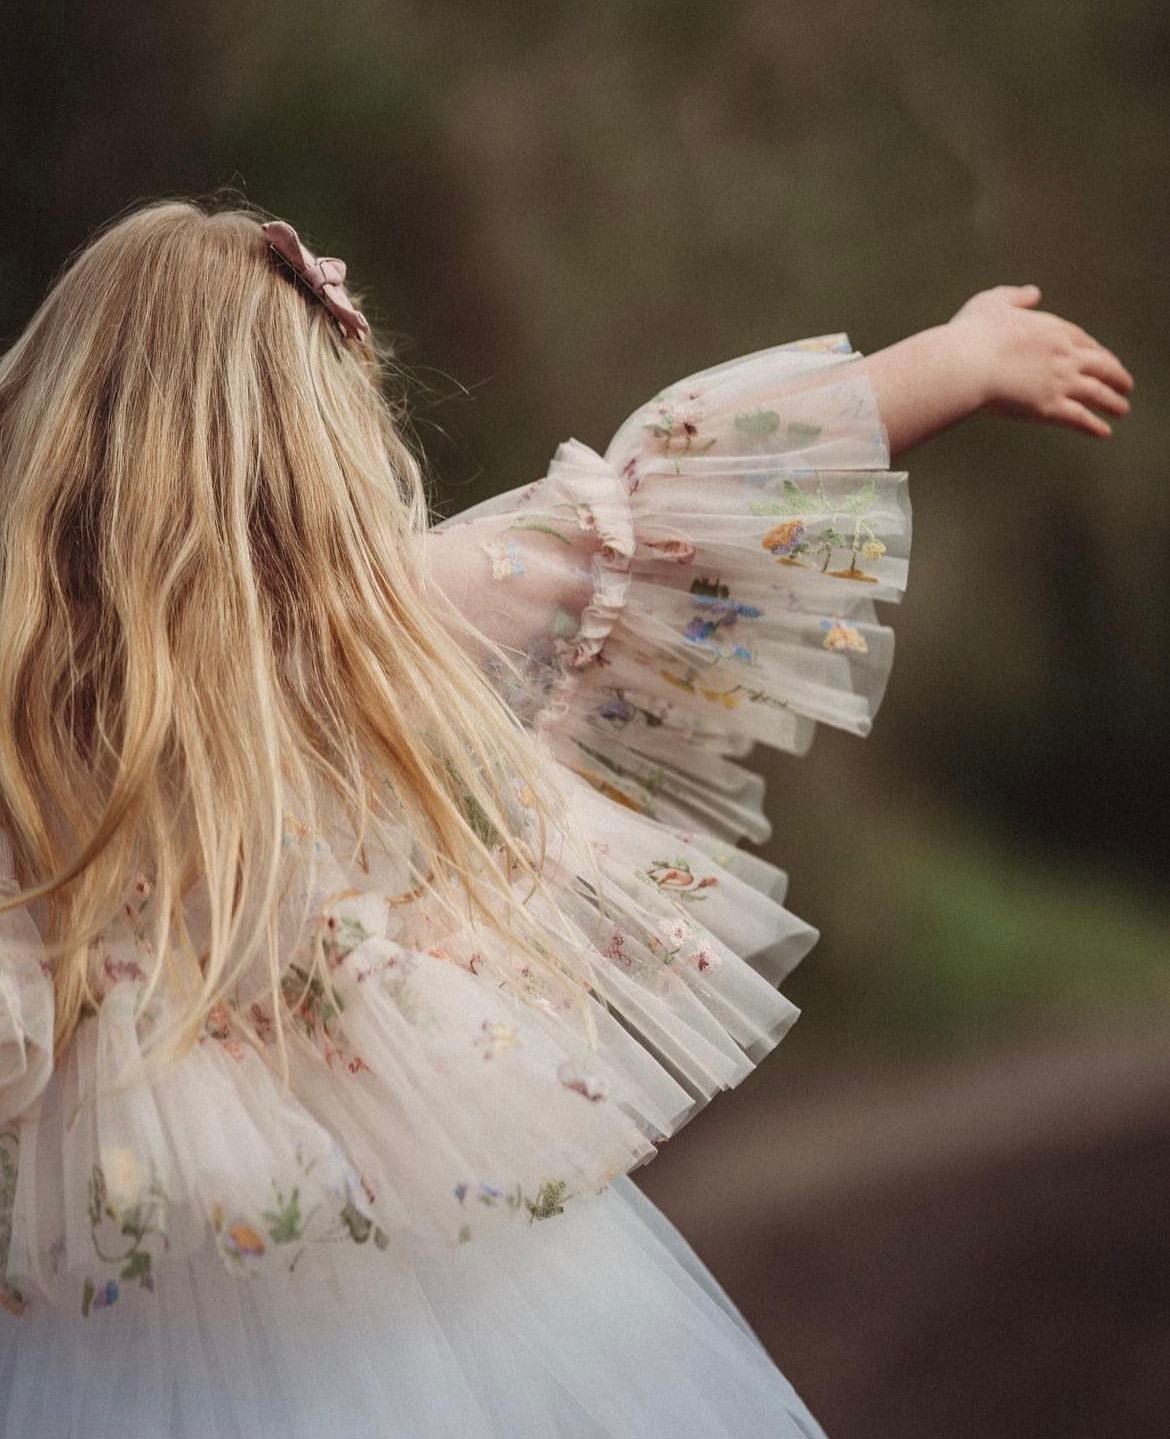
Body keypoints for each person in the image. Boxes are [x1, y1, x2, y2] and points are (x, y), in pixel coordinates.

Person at [0, 200, 1132, 1437]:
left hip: (102, 1316)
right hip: (430, 1280)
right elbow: (677, 506)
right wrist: (952, 362)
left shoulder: (22, 709)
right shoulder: (381, 629)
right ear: (310, 440)